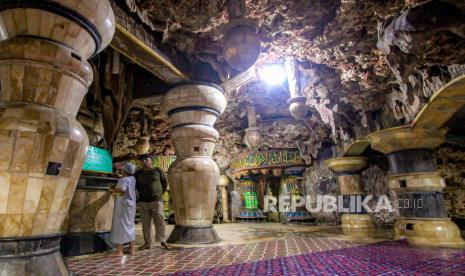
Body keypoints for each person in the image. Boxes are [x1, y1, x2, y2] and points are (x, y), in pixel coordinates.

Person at [135, 155, 172, 250]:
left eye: (146, 159)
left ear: (151, 161)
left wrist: (159, 193)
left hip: (156, 200)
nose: (144, 161)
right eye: (142, 160)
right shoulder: (138, 173)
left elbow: (164, 183)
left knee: (159, 221)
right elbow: (136, 186)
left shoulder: (157, 170)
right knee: (145, 223)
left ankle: (163, 241)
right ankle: (147, 242)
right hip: (143, 201)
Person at [110, 162, 137, 256]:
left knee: (121, 226)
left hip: (123, 205)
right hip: (131, 205)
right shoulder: (133, 179)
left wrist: (111, 190)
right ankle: (132, 249)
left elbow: (122, 190)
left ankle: (119, 250)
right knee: (130, 225)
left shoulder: (124, 179)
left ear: (124, 170)